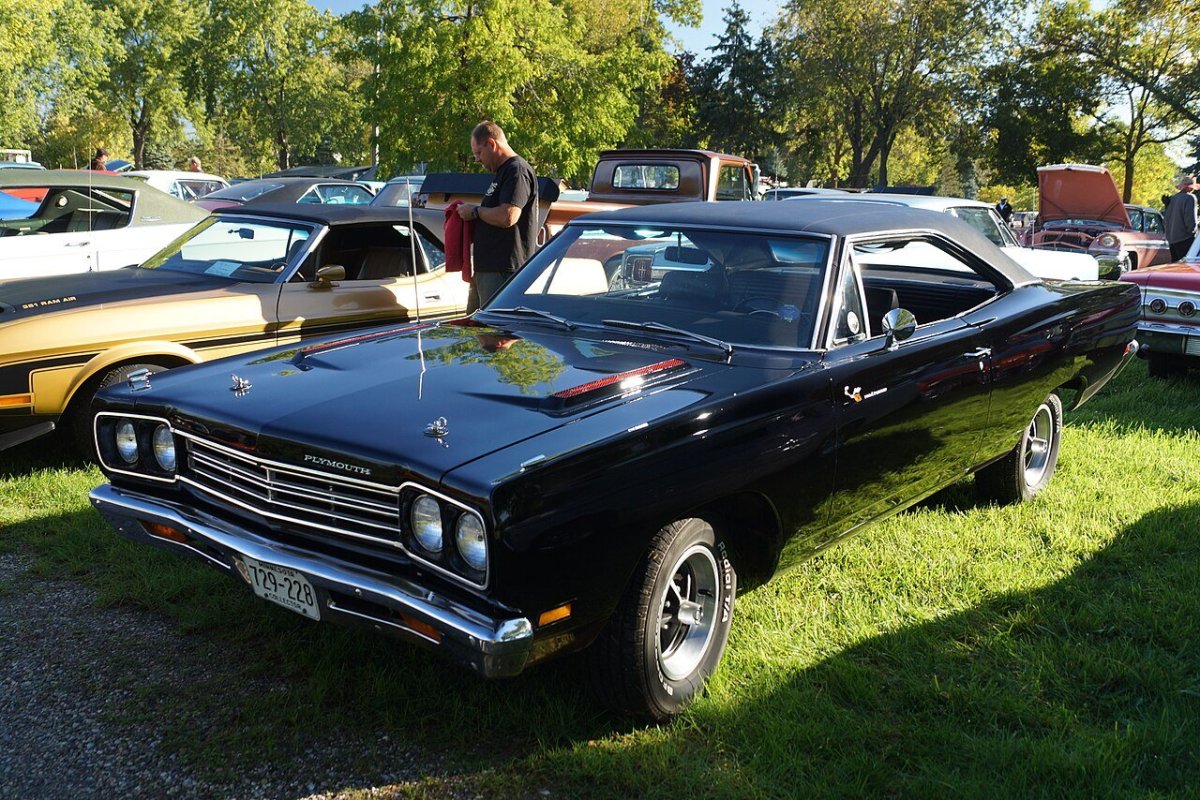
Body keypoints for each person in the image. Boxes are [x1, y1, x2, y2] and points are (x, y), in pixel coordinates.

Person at [455, 121, 538, 311]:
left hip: (504, 270)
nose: (477, 159)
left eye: (478, 153)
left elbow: (508, 216)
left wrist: (475, 211)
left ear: (492, 144)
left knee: (495, 334)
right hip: (487, 270)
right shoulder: (503, 172)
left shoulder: (517, 170)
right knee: (477, 329)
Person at [1164, 175, 1198, 261]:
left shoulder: (1173, 198)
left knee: (1175, 268)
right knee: (1187, 268)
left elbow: (1166, 218)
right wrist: (1192, 233)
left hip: (1172, 239)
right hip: (1185, 239)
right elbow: (1190, 220)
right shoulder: (1190, 198)